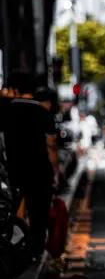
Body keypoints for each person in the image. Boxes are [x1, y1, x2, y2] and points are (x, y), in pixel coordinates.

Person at [1, 71, 58, 258]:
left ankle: (15, 249)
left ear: (15, 90)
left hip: (15, 171)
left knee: (14, 212)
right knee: (39, 216)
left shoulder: (6, 110)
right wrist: (56, 172)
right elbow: (51, 146)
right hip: (41, 172)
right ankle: (35, 252)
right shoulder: (43, 112)